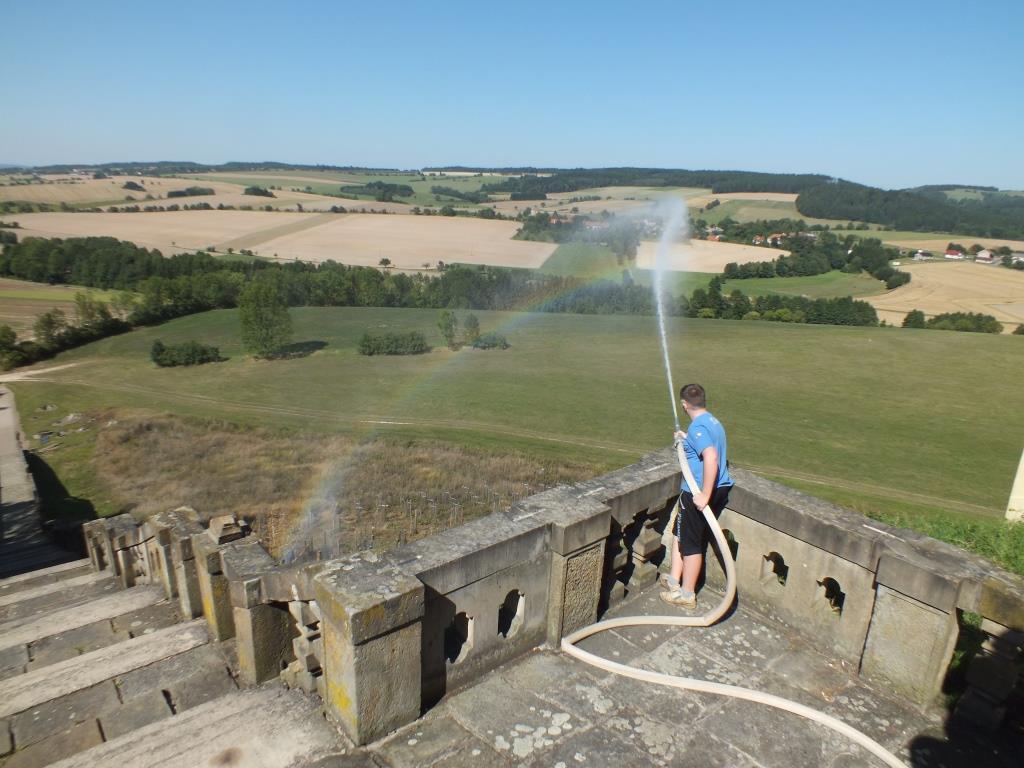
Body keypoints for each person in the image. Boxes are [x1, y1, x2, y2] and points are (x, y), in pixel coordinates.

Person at [660, 383, 733, 609]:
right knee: (680, 533)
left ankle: (687, 594)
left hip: (697, 493)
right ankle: (674, 580)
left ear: (684, 405)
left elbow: (711, 457)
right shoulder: (712, 421)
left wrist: (704, 495)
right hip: (717, 488)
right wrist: (687, 438)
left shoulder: (698, 428)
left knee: (691, 543)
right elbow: (706, 444)